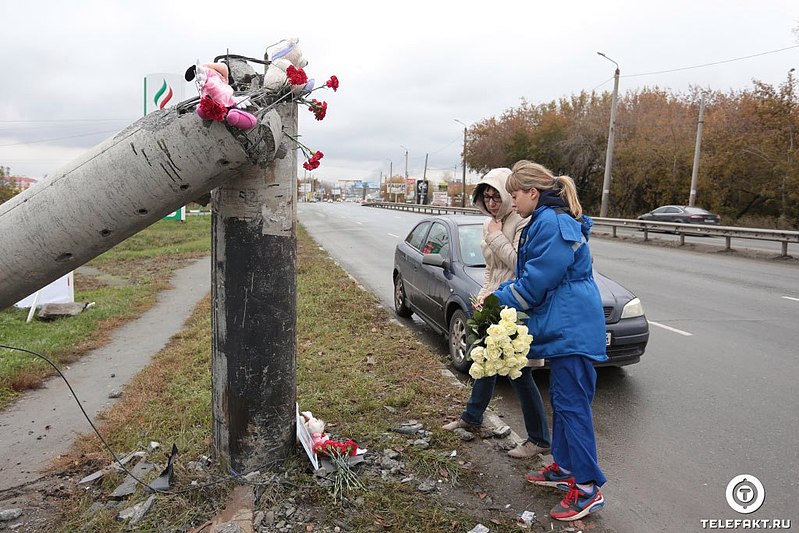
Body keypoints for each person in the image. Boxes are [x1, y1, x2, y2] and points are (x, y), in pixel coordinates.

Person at [491, 160, 607, 522]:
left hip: (573, 328)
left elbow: (537, 282)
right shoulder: (544, 220)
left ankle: (587, 489)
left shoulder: (552, 223)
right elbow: (531, 274)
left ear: (533, 193)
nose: (512, 201)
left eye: (515, 194)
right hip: (566, 326)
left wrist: (497, 300)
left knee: (573, 406)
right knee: (563, 400)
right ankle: (565, 468)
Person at [442, 167, 551, 460]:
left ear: (507, 194)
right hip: (494, 301)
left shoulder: (522, 222)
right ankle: (472, 417)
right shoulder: (490, 223)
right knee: (486, 361)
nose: (491, 203)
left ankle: (539, 438)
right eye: (486, 197)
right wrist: (483, 296)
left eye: (496, 196)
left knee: (519, 372)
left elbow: (519, 265)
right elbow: (491, 269)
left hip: (516, 303)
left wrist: (495, 237)